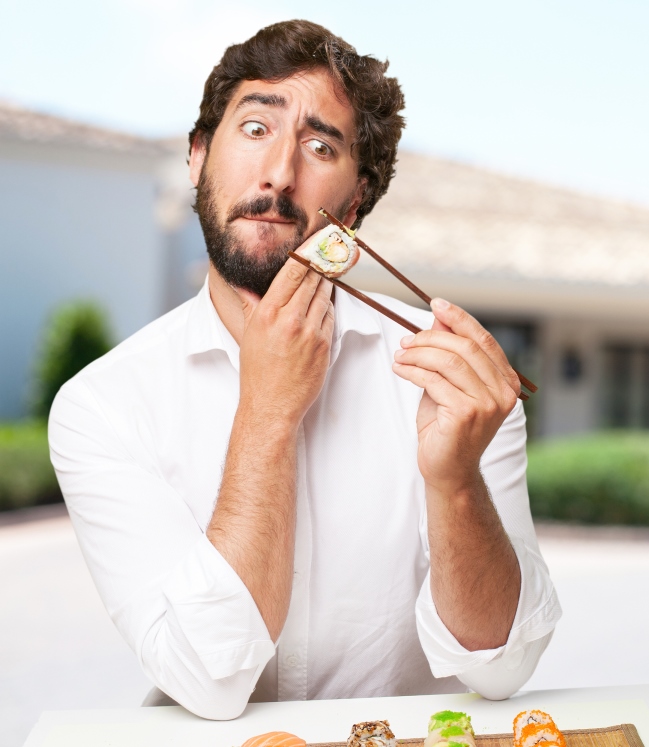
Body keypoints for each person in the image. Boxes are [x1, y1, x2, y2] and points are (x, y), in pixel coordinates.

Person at [48, 20, 560, 721]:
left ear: (353, 204)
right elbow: (209, 682)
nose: (279, 173)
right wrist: (268, 410)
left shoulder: (445, 381)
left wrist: (457, 480)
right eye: (255, 128)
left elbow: (501, 669)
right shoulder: (103, 405)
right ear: (197, 157)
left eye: (321, 146)